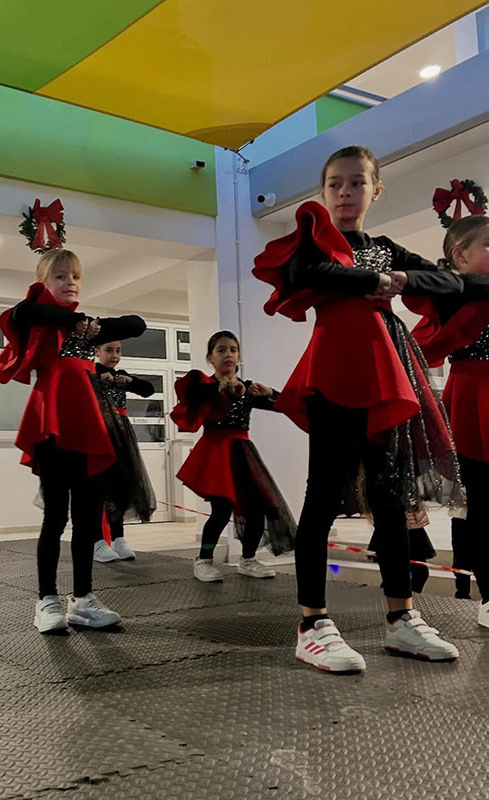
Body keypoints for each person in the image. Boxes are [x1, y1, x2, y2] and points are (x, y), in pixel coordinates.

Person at [253, 145, 463, 673]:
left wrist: (403, 280)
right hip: (335, 369)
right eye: (335, 184)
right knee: (323, 494)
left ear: (376, 190)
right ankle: (312, 624)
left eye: (356, 183)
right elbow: (307, 272)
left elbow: (451, 282)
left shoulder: (385, 248)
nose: (344, 193)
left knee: (389, 497)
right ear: (323, 192)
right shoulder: (313, 237)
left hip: (383, 370)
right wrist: (373, 281)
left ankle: (401, 617)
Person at [0, 249, 146, 633]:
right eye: (60, 277)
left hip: (89, 427)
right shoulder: (39, 320)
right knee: (55, 517)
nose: (70, 283)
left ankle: (82, 600)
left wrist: (94, 325)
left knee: (86, 519)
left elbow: (137, 324)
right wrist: (73, 320)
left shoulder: (87, 327)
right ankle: (46, 600)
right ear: (44, 282)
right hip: (53, 425)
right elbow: (19, 314)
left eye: (75, 277)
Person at [410, 213, 489, 626]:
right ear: (460, 255)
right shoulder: (452, 299)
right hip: (473, 398)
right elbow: (423, 345)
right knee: (480, 502)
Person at [170, 330, 296, 583]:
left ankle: (248, 559)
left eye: (233, 350)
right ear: (210, 358)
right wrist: (221, 387)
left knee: (257, 508)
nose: (228, 354)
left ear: (238, 356)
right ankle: (204, 560)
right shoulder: (204, 385)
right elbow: (190, 396)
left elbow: (286, 405)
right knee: (221, 509)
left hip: (243, 452)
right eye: (221, 350)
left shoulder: (248, 389)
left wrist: (270, 392)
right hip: (216, 453)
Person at [92, 340, 156, 562]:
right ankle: (97, 541)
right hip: (100, 432)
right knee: (97, 489)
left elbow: (148, 390)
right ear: (97, 351)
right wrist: (98, 380)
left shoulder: (121, 375)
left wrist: (130, 381)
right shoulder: (90, 372)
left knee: (119, 487)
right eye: (109, 350)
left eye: (118, 351)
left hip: (121, 435)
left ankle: (118, 538)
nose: (114, 355)